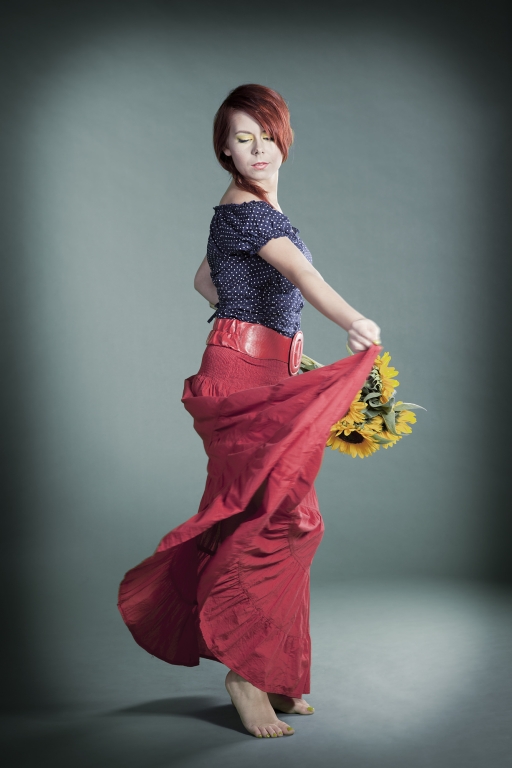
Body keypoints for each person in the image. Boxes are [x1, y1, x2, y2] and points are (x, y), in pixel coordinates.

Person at [118, 84, 381, 740]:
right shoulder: (250, 213)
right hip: (242, 376)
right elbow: (305, 279)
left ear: (283, 140)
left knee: (280, 516)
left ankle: (272, 669)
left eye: (266, 136)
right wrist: (354, 321)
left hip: (259, 368)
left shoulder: (249, 209)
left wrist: (277, 343)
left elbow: (204, 279)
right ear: (225, 151)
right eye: (243, 138)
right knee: (279, 518)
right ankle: (245, 671)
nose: (258, 149)